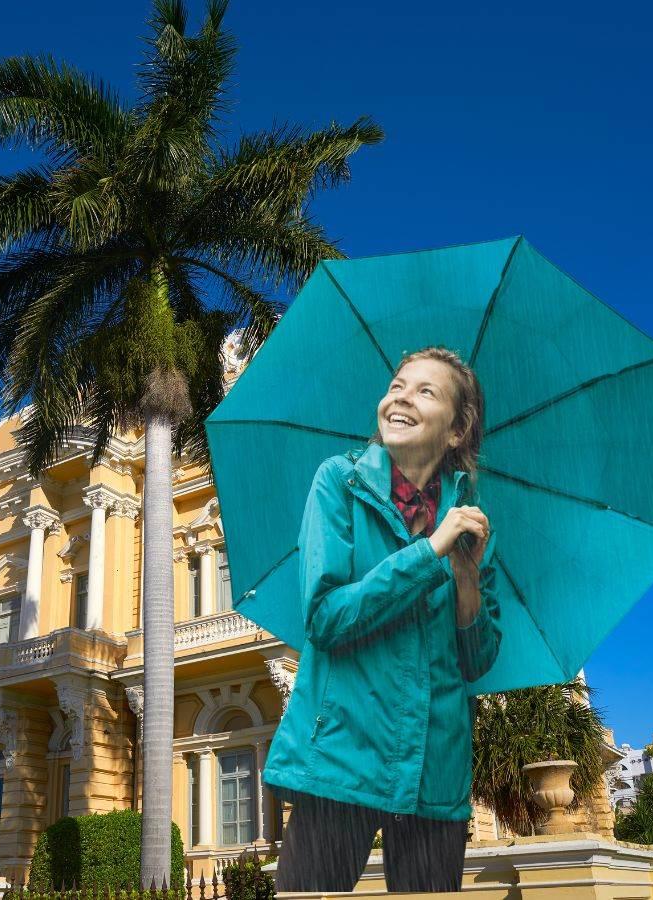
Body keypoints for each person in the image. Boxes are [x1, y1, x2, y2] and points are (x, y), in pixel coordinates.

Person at [263, 346, 503, 893]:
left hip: (434, 772)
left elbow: (479, 659)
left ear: (456, 431)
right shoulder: (338, 484)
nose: (401, 397)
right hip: (340, 757)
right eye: (397, 385)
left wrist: (466, 575)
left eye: (425, 391)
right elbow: (325, 618)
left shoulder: (470, 520)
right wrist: (428, 554)